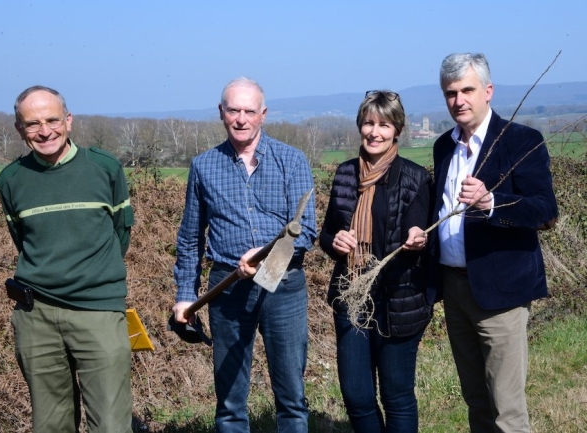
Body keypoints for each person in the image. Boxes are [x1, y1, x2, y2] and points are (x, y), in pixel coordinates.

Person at [172, 77, 316, 433]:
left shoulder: (292, 161)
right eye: (233, 110)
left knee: (292, 397)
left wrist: (267, 256)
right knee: (231, 401)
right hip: (227, 287)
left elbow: (306, 232)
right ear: (221, 113)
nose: (241, 118)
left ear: (263, 115)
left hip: (283, 284)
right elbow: (190, 239)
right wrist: (185, 296)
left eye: (249, 111)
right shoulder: (204, 166)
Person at [428, 53, 558, 433]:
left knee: (506, 407)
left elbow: (545, 210)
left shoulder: (520, 140)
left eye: (467, 90)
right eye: (451, 93)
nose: (459, 101)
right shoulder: (443, 147)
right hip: (454, 289)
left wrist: (492, 202)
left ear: (488, 91)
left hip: (501, 292)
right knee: (476, 401)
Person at [0, 85, 134, 432]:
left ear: (68, 121)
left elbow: (121, 233)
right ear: (19, 129)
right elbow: (24, 241)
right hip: (35, 314)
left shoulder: (104, 168)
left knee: (111, 423)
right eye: (32, 124)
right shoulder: (10, 180)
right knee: (51, 424)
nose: (45, 131)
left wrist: (93, 275)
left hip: (97, 311)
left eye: (53, 119)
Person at [319, 90, 433, 433]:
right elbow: (326, 234)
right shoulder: (344, 175)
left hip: (398, 300)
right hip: (351, 296)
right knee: (356, 397)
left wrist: (418, 240)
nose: (375, 132)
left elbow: (424, 237)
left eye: (384, 124)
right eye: (369, 123)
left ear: (397, 129)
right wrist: (335, 242)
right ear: (359, 126)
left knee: (397, 397)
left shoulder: (415, 177)